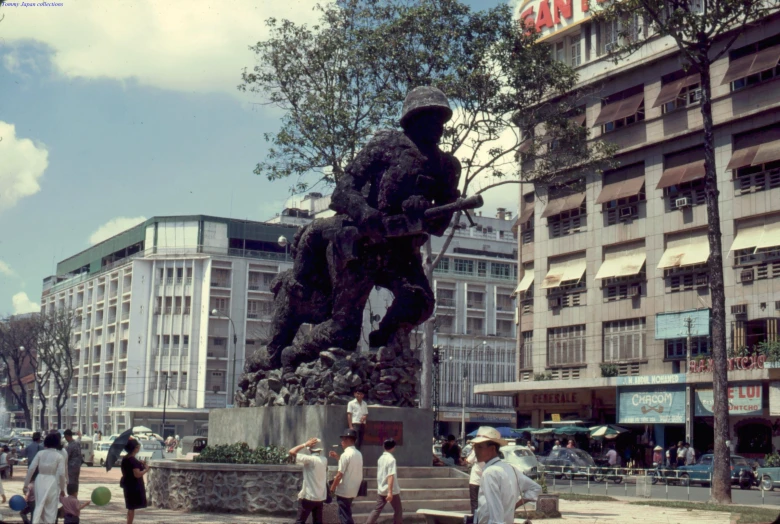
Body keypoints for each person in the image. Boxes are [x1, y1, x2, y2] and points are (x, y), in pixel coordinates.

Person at [471, 426, 541, 524]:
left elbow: (495, 516)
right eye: (475, 446)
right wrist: (514, 506)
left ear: (492, 449)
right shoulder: (511, 469)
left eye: (479, 447)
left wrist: (514, 506)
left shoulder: (490, 472)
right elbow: (536, 488)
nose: (475, 451)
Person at [23, 432, 67, 524]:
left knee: (39, 505)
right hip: (52, 481)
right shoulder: (59, 456)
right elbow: (62, 474)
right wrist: (62, 489)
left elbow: (31, 469)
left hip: (40, 480)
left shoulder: (40, 454)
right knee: (51, 509)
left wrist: (26, 485)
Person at [289, 437, 327, 524]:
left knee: (300, 521)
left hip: (309, 497)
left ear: (309, 449)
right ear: (320, 450)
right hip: (320, 497)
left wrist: (305, 444)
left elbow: (291, 452)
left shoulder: (309, 460)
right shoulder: (324, 460)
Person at [329, 428, 363, 524]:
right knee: (347, 513)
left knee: (344, 516)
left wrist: (332, 489)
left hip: (344, 490)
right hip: (353, 489)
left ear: (348, 440)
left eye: (343, 439)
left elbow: (339, 475)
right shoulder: (358, 453)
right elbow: (348, 466)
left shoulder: (345, 455)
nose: (341, 442)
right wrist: (337, 457)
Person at [366, 438, 403, 524]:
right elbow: (390, 475)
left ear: (384, 447)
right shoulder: (391, 460)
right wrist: (390, 492)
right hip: (391, 491)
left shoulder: (380, 459)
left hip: (381, 489)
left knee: (377, 510)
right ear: (393, 447)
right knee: (398, 510)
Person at [121, 439, 149, 524]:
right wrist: (146, 470)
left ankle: (128, 522)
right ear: (135, 448)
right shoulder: (132, 460)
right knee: (131, 507)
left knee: (130, 507)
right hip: (133, 485)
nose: (139, 448)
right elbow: (137, 474)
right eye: (137, 447)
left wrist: (141, 463)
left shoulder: (125, 459)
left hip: (127, 483)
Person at [465, 448, 484, 515]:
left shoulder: (476, 450)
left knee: (474, 501)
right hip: (483, 481)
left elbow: (469, 460)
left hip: (474, 481)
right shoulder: (488, 455)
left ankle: (475, 518)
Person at [64, 429, 83, 494]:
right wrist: (80, 435)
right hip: (77, 466)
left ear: (67, 436)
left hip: (71, 467)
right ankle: (75, 494)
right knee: (76, 481)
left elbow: (66, 457)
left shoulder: (69, 446)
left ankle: (71, 495)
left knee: (70, 482)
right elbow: (79, 439)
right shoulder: (77, 443)